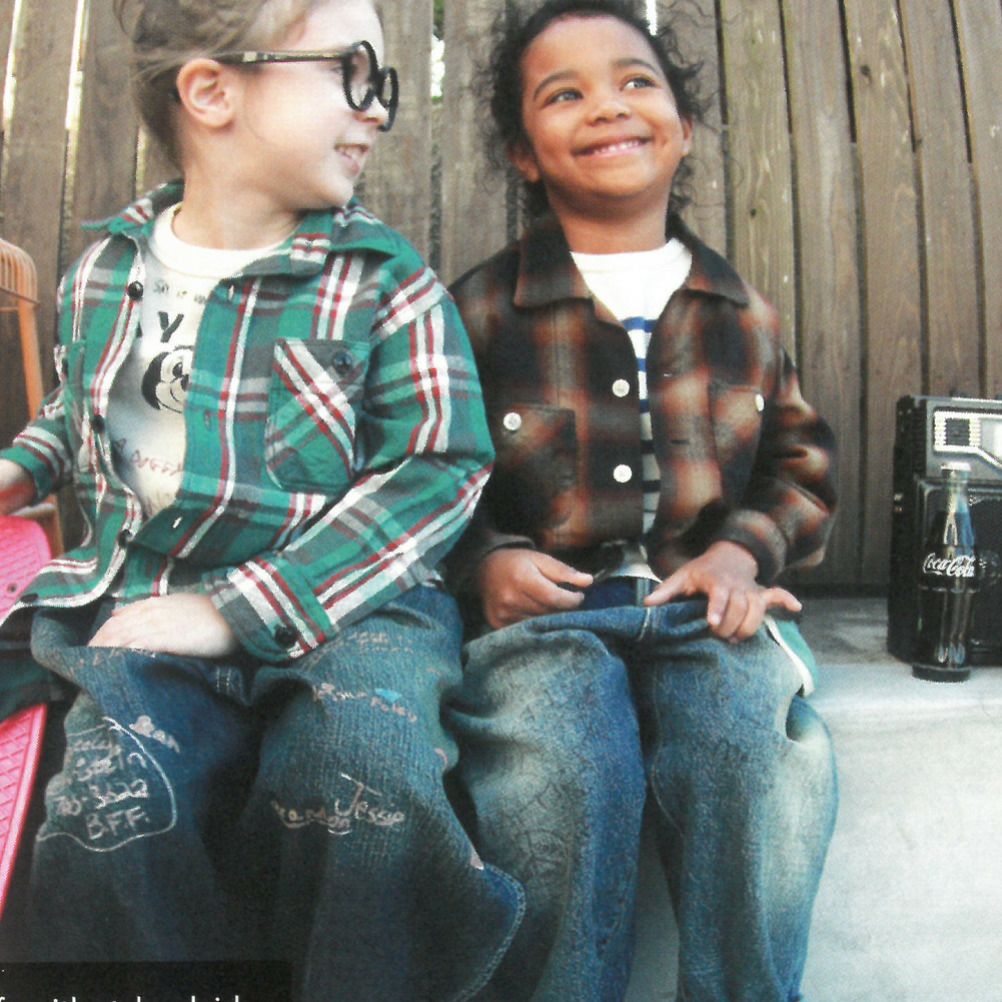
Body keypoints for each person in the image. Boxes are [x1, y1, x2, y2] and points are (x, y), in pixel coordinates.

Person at [0, 0, 524, 996]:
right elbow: (81, 412)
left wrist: (236, 611)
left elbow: (440, 469)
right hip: (146, 593)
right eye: (351, 72)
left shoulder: (384, 284)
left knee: (363, 778)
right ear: (212, 90)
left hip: (353, 609)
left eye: (384, 84)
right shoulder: (106, 273)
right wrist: (22, 469)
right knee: (108, 806)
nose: (378, 109)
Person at [445, 2, 839, 1000]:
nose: (606, 107)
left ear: (684, 127)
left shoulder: (743, 315)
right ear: (523, 153)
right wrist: (485, 561)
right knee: (560, 769)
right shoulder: (476, 310)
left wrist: (741, 554)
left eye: (634, 82)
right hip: (545, 625)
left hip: (708, 612)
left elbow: (800, 467)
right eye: (563, 94)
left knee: (756, 758)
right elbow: (428, 470)